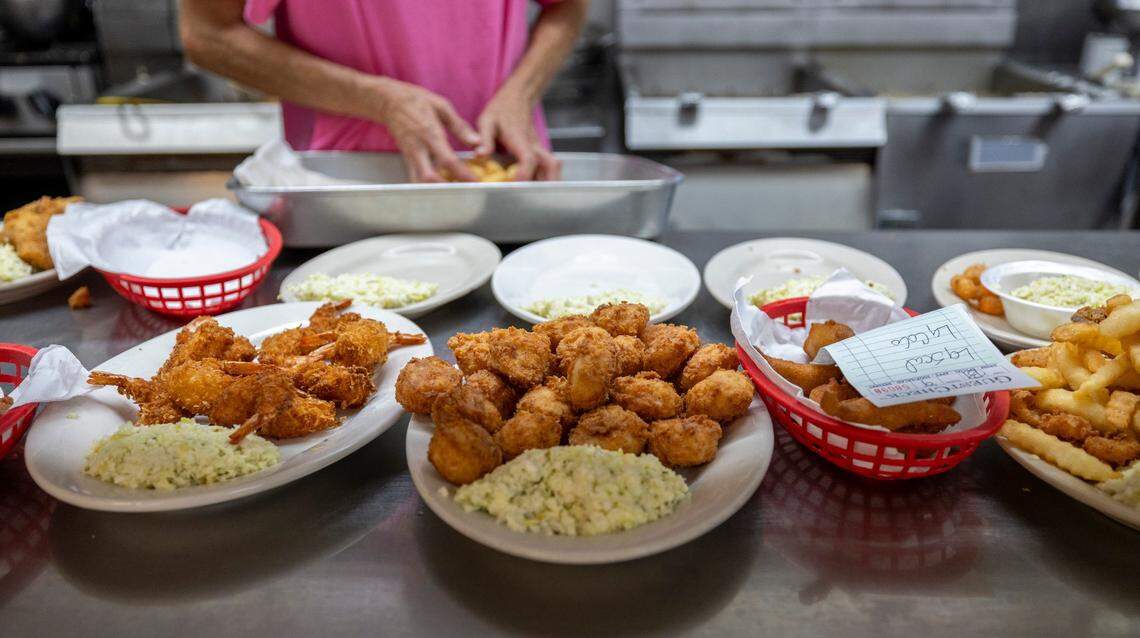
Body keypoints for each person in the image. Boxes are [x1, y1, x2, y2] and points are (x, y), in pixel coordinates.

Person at [180, 1, 589, 182]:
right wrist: (378, 99)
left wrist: (521, 92)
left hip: (512, 170)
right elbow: (207, 33)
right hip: (348, 190)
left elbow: (568, 6)